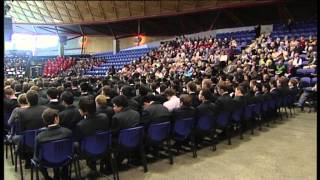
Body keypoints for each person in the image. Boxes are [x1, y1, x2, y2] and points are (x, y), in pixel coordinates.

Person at [34, 108, 72, 180]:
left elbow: (36, 155)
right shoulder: (68, 132)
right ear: (56, 119)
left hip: (46, 161)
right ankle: (64, 175)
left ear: (44, 120)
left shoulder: (39, 137)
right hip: (65, 159)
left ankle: (47, 177)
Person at [74, 95, 110, 172]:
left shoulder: (81, 125)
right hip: (104, 146)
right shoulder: (104, 117)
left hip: (88, 151)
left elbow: (80, 141)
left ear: (85, 111)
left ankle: (92, 168)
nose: (78, 110)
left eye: (79, 108)